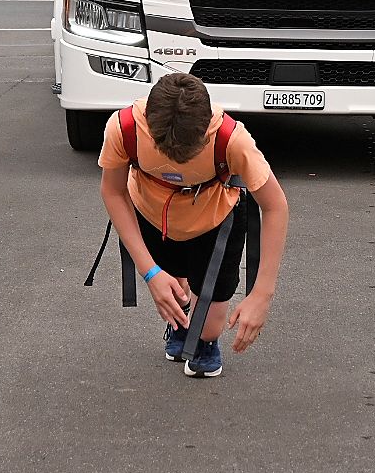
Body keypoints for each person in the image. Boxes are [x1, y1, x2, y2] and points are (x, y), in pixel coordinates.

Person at [98, 72, 289, 377]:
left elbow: (275, 205)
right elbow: (113, 191)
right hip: (153, 213)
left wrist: (261, 294)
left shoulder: (233, 139)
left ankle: (205, 340)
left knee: (209, 326)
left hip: (214, 218)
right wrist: (150, 273)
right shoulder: (124, 128)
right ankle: (182, 319)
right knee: (172, 287)